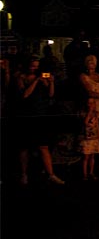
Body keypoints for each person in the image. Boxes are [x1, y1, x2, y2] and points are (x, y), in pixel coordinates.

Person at [15, 55, 65, 185]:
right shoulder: (21, 77)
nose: (34, 68)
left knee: (43, 145)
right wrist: (36, 81)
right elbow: (24, 95)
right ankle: (24, 174)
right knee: (24, 146)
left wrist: (51, 82)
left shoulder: (42, 76)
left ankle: (50, 174)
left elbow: (50, 94)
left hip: (40, 114)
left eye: (37, 66)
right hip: (26, 114)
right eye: (32, 66)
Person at [78, 54, 99, 181]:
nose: (92, 63)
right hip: (90, 109)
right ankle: (86, 171)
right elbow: (90, 92)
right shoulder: (83, 76)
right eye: (89, 61)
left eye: (94, 61)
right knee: (89, 140)